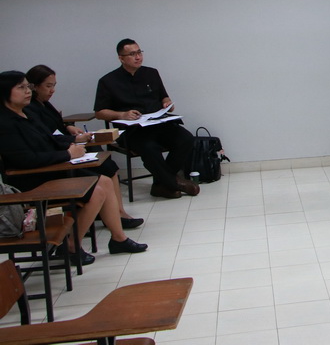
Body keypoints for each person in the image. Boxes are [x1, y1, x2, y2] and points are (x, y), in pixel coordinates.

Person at [0, 71, 148, 264]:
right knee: (96, 190)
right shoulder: (5, 123)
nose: (28, 91)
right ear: (5, 92)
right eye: (21, 87)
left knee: (104, 180)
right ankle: (71, 245)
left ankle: (118, 238)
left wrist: (73, 142)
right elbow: (25, 160)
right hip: (31, 179)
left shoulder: (26, 113)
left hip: (51, 169)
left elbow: (50, 139)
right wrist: (68, 154)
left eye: (28, 86)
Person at [25, 64, 143, 229]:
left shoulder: (44, 103)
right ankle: (115, 214)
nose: (52, 90)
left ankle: (117, 212)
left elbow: (56, 125)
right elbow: (47, 137)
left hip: (66, 145)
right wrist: (74, 139)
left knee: (106, 162)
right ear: (35, 87)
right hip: (59, 154)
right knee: (105, 168)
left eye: (54, 86)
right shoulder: (30, 109)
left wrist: (68, 128)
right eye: (48, 86)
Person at [94, 39, 198, 199]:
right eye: (132, 54)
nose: (138, 57)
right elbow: (100, 112)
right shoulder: (108, 81)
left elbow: (164, 97)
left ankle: (161, 184)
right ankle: (174, 183)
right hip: (132, 131)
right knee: (149, 148)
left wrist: (167, 103)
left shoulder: (151, 73)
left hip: (158, 124)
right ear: (121, 58)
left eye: (139, 52)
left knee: (186, 139)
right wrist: (121, 115)